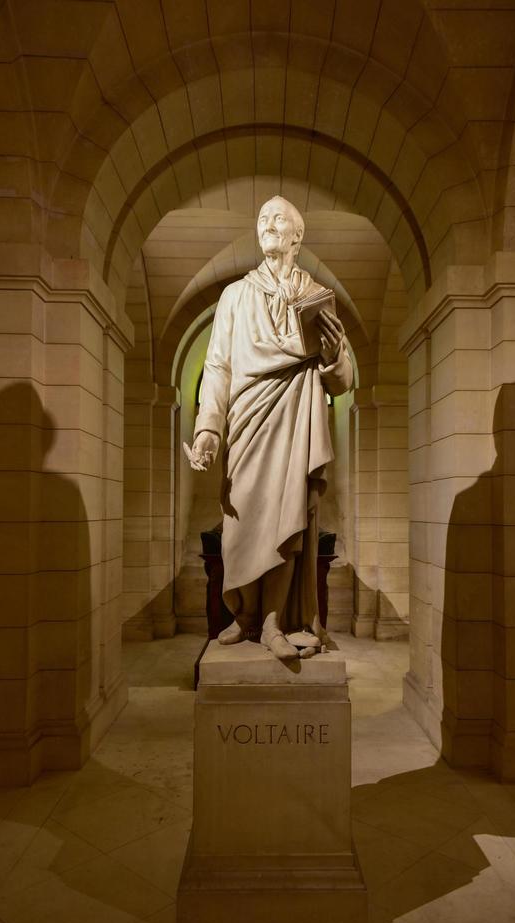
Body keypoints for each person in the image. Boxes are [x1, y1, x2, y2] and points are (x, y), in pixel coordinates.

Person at [185, 196, 353, 660]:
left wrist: (336, 356)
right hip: (247, 423)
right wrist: (208, 430)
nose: (268, 225)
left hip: (295, 419)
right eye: (262, 219)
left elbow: (341, 380)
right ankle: (245, 616)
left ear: (298, 237)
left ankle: (275, 622)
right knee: (241, 522)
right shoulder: (236, 295)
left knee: (288, 523)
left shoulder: (315, 296)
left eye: (279, 220)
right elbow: (217, 366)